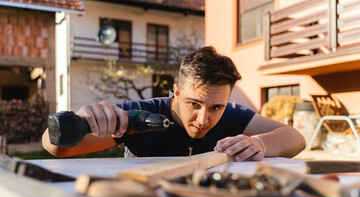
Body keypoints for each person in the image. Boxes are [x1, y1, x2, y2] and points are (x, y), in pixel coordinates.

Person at [42, 46, 306, 161]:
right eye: (194, 103)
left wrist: (258, 143)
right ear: (176, 92)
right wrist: (80, 122)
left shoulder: (234, 116)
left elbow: (296, 138)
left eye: (217, 107)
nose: (204, 120)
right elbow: (57, 149)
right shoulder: (138, 115)